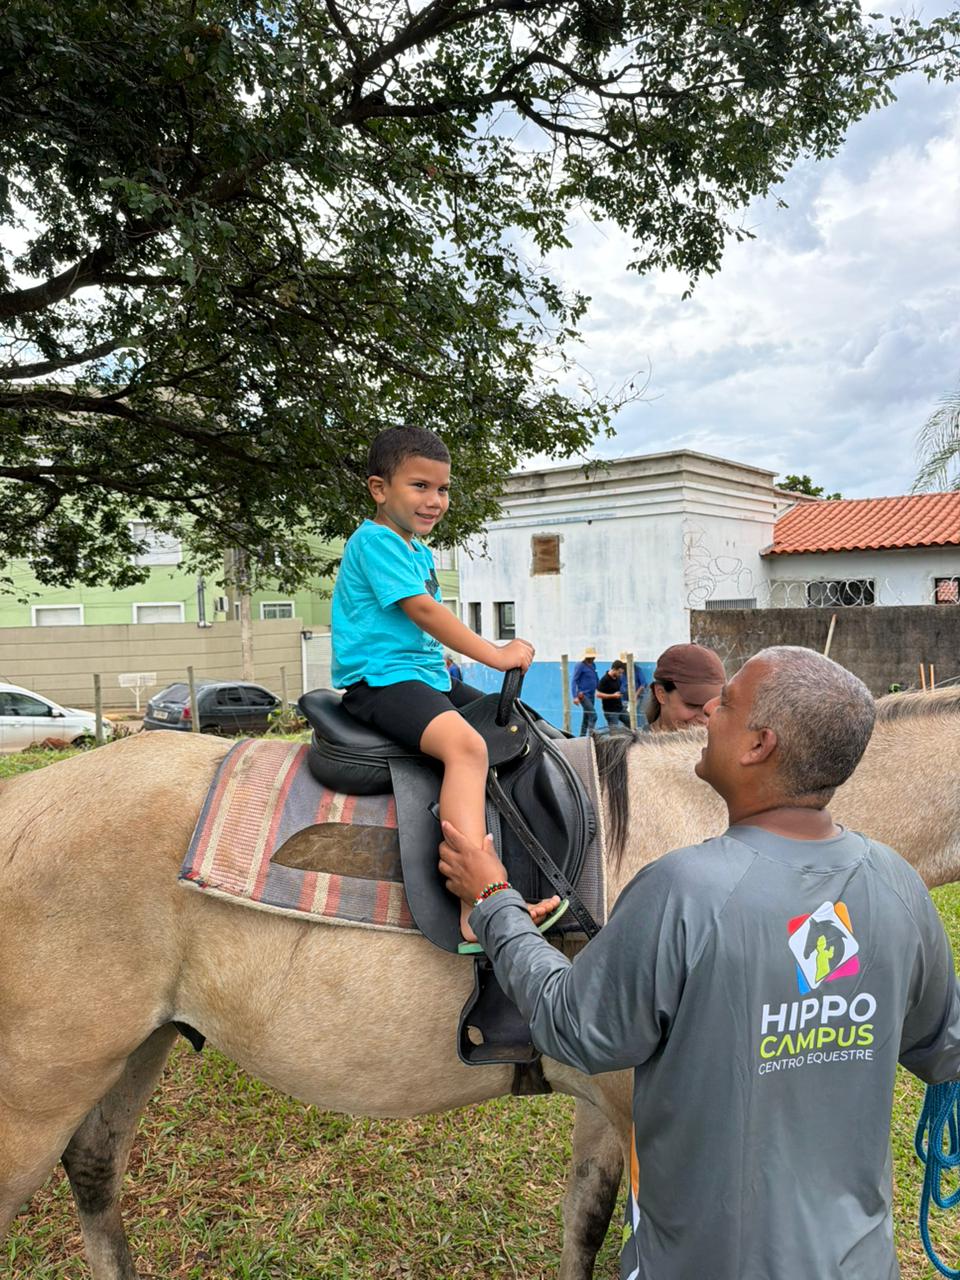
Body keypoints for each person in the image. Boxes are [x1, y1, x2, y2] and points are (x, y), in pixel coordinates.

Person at [438, 645, 960, 1280]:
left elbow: (572, 1026)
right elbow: (944, 1049)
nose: (709, 716)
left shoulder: (682, 890)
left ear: (759, 745)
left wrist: (493, 898)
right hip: (860, 1262)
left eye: (727, 705)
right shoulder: (898, 885)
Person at [332, 426, 559, 940]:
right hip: (381, 681)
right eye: (420, 486)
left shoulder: (415, 550)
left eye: (443, 489)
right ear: (378, 489)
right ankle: (475, 904)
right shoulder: (376, 542)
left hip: (424, 676)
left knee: (515, 727)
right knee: (466, 749)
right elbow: (425, 612)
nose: (434, 500)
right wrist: (496, 655)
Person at [645, 641, 725, 731]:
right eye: (692, 705)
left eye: (715, 707)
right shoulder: (636, 740)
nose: (704, 719)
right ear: (661, 694)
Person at [571, 646, 599, 736]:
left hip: (591, 695)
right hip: (583, 695)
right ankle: (591, 736)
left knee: (586, 717)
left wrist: (599, 688)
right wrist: (575, 696)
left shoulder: (593, 665)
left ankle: (581, 736)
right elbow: (574, 680)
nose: (593, 658)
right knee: (593, 716)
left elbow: (595, 678)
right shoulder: (580, 665)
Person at [597, 659, 630, 730]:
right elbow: (598, 694)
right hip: (610, 711)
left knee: (631, 723)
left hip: (620, 708)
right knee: (614, 732)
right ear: (614, 669)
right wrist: (613, 696)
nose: (620, 675)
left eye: (621, 673)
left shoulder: (618, 678)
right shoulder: (604, 680)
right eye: (619, 673)